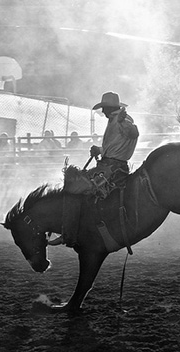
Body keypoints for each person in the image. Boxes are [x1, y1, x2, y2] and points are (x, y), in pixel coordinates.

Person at [51, 91, 139, 247]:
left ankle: (69, 233)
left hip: (112, 168)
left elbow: (133, 132)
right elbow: (117, 145)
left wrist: (125, 125)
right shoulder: (115, 119)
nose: (103, 111)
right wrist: (99, 149)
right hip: (109, 166)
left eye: (104, 108)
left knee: (75, 187)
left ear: (110, 107)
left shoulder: (122, 119)